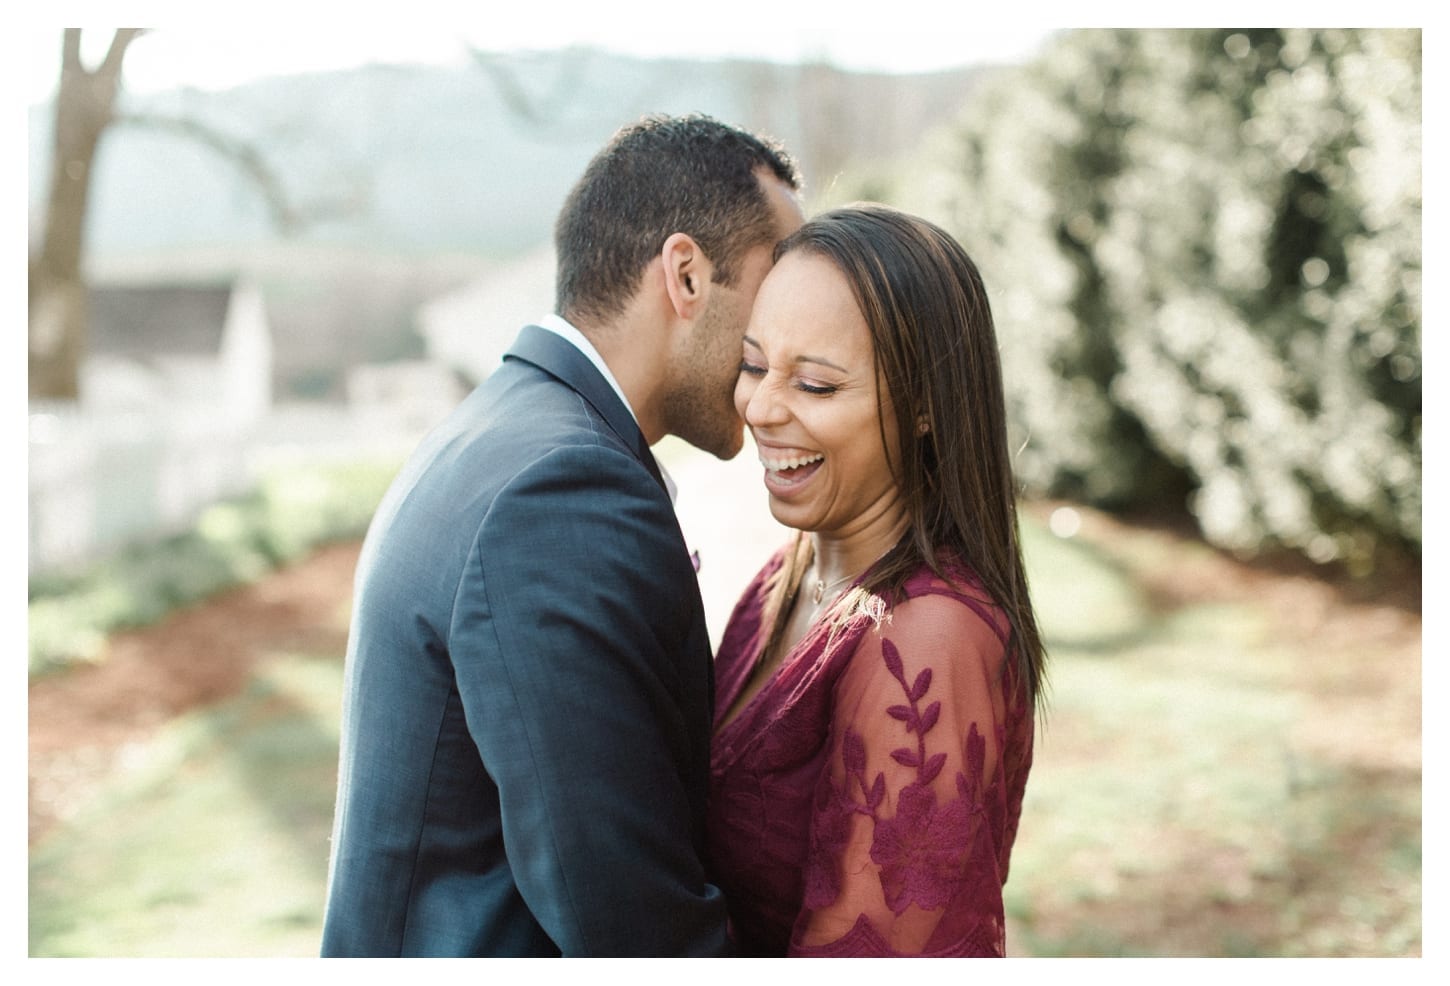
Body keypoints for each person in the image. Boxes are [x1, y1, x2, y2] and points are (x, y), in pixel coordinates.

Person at [320, 114, 804, 957]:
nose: (785, 336)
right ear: (686, 275)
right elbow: (627, 917)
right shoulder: (559, 490)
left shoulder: (506, 429)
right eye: (777, 287)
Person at [706, 203, 1047, 957]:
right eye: (755, 364)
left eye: (817, 386)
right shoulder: (786, 576)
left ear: (925, 407)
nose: (759, 408)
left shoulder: (926, 640)